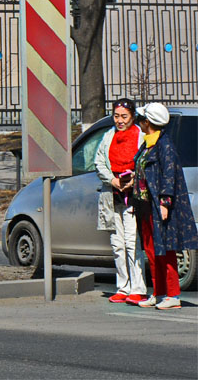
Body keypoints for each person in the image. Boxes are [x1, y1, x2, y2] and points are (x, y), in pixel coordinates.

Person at [131, 102, 198, 310]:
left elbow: (169, 175)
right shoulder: (148, 143)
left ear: (148, 122)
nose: (139, 123)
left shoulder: (164, 145)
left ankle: (173, 295)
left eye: (141, 120)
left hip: (158, 205)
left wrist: (165, 202)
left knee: (167, 250)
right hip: (145, 205)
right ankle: (158, 293)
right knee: (151, 251)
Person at [94, 99, 147, 304]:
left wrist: (133, 178)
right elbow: (99, 161)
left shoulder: (140, 136)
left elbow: (144, 160)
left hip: (133, 196)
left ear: (132, 116)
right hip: (112, 194)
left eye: (124, 116)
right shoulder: (108, 137)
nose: (120, 120)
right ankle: (122, 287)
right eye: (116, 116)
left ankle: (138, 287)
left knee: (132, 242)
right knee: (117, 243)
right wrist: (113, 180)